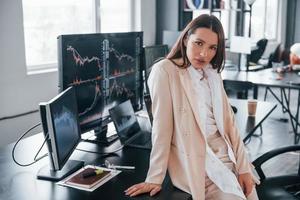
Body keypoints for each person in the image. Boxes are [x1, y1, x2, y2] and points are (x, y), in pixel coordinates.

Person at [125, 14, 259, 200]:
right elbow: (162, 128)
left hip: (229, 158)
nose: (204, 54)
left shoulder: (212, 73)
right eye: (199, 43)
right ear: (187, 38)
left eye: (212, 48)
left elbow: (230, 124)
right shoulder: (165, 71)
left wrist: (244, 168)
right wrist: (154, 177)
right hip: (201, 164)